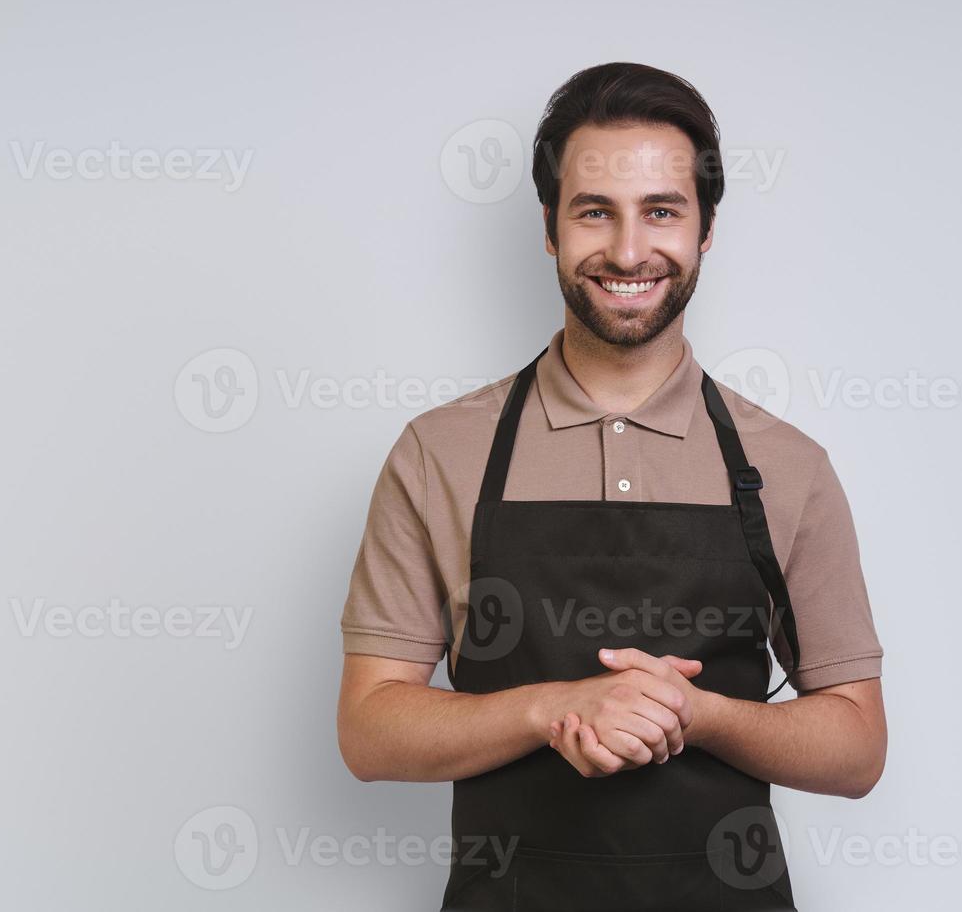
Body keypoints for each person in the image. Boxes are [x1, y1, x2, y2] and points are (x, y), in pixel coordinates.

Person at [337, 62, 886, 912]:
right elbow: (369, 728)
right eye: (596, 212)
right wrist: (554, 708)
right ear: (550, 229)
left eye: (661, 211)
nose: (629, 251)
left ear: (706, 231)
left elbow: (857, 750)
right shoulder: (439, 452)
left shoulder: (790, 466)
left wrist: (696, 715)